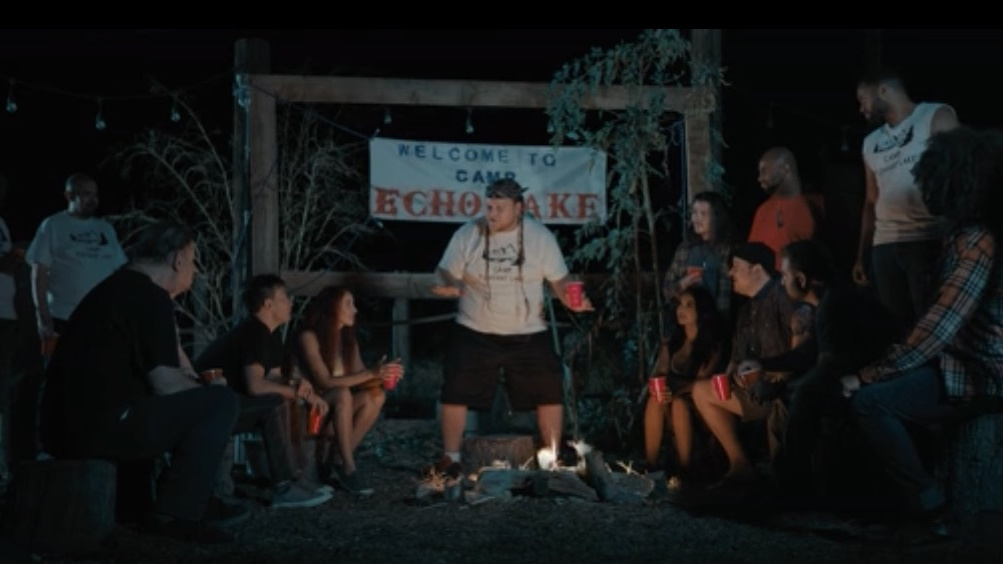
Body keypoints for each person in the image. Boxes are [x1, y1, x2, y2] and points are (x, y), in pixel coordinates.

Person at [38, 220, 242, 544]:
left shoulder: (117, 289)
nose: (195, 271)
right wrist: (210, 391)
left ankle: (152, 503)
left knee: (168, 404)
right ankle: (177, 512)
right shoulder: (149, 296)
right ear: (177, 259)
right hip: (95, 428)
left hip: (66, 427)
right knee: (221, 403)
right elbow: (165, 383)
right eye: (193, 261)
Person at [844, 126, 1003, 533]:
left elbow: (938, 328)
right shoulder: (972, 236)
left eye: (931, 180)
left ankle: (930, 511)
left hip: (982, 373)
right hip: (972, 364)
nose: (922, 189)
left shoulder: (978, 242)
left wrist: (869, 375)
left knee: (870, 402)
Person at [430, 178, 593, 477]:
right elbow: (443, 271)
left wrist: (574, 299)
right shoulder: (469, 233)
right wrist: (447, 285)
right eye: (489, 207)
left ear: (519, 208)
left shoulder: (540, 237)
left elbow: (560, 279)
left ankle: (552, 458)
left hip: (527, 331)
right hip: (475, 328)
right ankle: (450, 458)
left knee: (549, 386)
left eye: (499, 208)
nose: (491, 214)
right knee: (455, 388)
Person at [748, 240, 899, 500]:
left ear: (802, 279)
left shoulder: (835, 304)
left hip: (881, 377)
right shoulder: (830, 300)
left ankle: (792, 486)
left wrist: (779, 388)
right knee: (798, 392)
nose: (782, 282)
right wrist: (763, 364)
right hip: (862, 373)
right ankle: (788, 479)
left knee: (803, 396)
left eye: (785, 275)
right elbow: (808, 353)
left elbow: (830, 369)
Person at [194, 274, 332, 508]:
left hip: (227, 403)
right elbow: (256, 386)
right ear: (269, 304)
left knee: (283, 398)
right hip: (206, 408)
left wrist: (302, 389)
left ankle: (294, 478)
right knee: (276, 404)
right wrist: (293, 393)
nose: (290, 303)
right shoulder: (254, 332)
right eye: (284, 298)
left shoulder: (271, 333)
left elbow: (273, 377)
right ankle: (284, 487)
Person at [852, 67, 960, 335]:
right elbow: (871, 200)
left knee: (932, 323)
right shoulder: (871, 142)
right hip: (885, 245)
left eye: (863, 99)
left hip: (927, 237)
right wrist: (862, 254)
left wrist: (955, 237)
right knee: (896, 328)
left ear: (883, 90)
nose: (861, 108)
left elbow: (958, 177)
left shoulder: (935, 115)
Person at [690, 242, 794, 486]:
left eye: (736, 267)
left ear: (756, 270)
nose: (730, 273)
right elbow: (737, 355)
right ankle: (740, 464)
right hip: (751, 389)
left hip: (781, 387)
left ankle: (780, 475)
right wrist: (727, 376)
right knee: (702, 390)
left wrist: (772, 377)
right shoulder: (746, 309)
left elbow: (799, 351)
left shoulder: (783, 298)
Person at [288, 285, 403, 496]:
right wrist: (372, 372)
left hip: (336, 412)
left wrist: (383, 375)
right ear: (332, 307)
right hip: (310, 412)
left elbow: (361, 380)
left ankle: (338, 460)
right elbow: (325, 382)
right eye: (348, 304)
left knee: (376, 396)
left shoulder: (348, 341)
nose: (355, 310)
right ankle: (349, 467)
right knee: (342, 393)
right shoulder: (309, 337)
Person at [25, 173, 128, 340]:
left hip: (102, 318)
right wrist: (42, 315)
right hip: (64, 316)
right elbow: (39, 272)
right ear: (69, 196)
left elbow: (119, 271)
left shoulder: (105, 229)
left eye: (95, 194)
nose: (93, 200)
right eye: (86, 194)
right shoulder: (53, 225)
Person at [643, 285, 724, 478]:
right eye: (680, 304)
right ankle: (650, 466)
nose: (681, 309)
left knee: (679, 404)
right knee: (655, 400)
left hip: (697, 403)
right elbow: (660, 373)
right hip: (670, 397)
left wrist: (675, 392)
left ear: (701, 311)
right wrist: (658, 386)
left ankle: (685, 469)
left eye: (689, 305)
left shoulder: (711, 345)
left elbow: (703, 383)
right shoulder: (672, 343)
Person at [662, 190, 735, 320]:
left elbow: (726, 298)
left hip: (715, 322)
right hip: (688, 321)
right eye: (694, 213)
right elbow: (667, 290)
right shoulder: (685, 249)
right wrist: (683, 283)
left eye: (703, 214)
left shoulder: (727, 250)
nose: (697, 219)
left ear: (716, 217)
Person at [748, 147, 816, 271]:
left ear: (785, 169)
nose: (760, 178)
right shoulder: (763, 209)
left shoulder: (811, 207)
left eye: (764, 172)